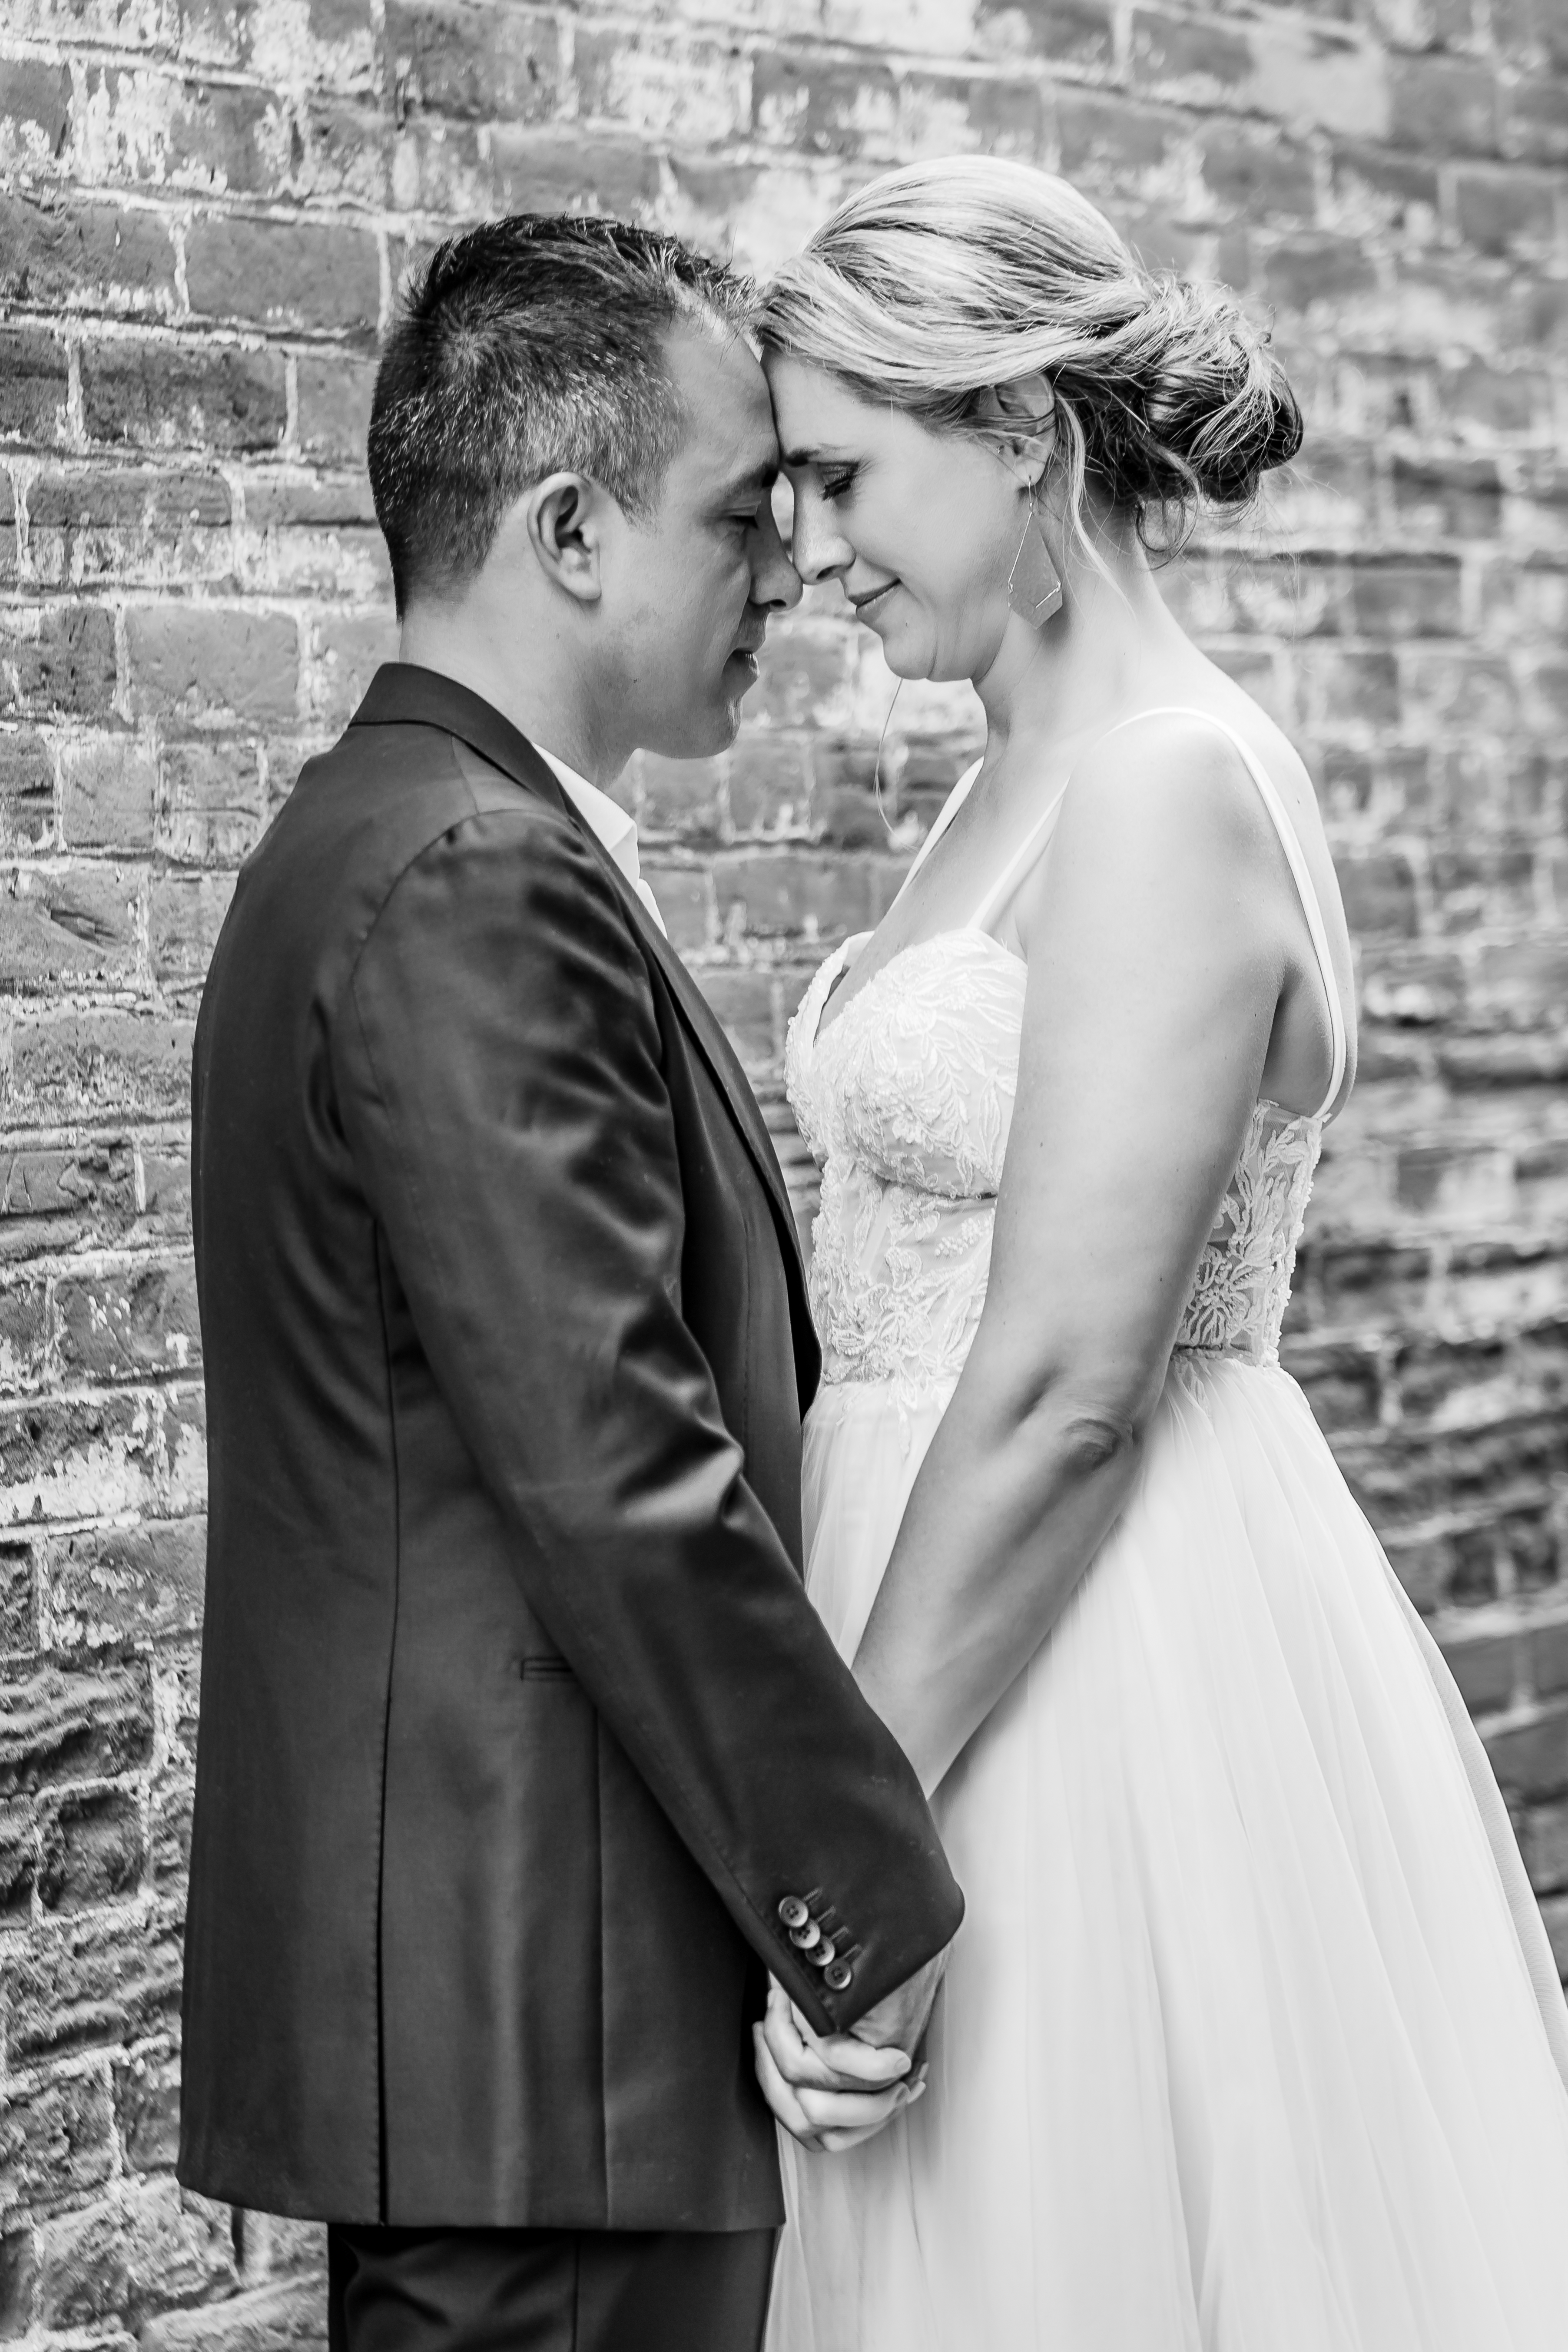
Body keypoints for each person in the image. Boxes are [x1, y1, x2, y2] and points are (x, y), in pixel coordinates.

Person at [749, 156, 1568, 2351]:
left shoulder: (1163, 786)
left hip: (1091, 1674)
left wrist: (849, 1853)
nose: (805, 549)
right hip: (934, 1635)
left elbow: (1064, 1384)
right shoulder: (1006, 778)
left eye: (842, 475)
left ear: (1022, 429)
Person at [177, 215, 962, 2352]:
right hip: (550, 2042)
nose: (787, 569)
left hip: (529, 2052)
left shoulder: (404, 831)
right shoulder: (472, 873)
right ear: (570, 530)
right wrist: (863, 1906)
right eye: (740, 511)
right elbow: (619, 1461)